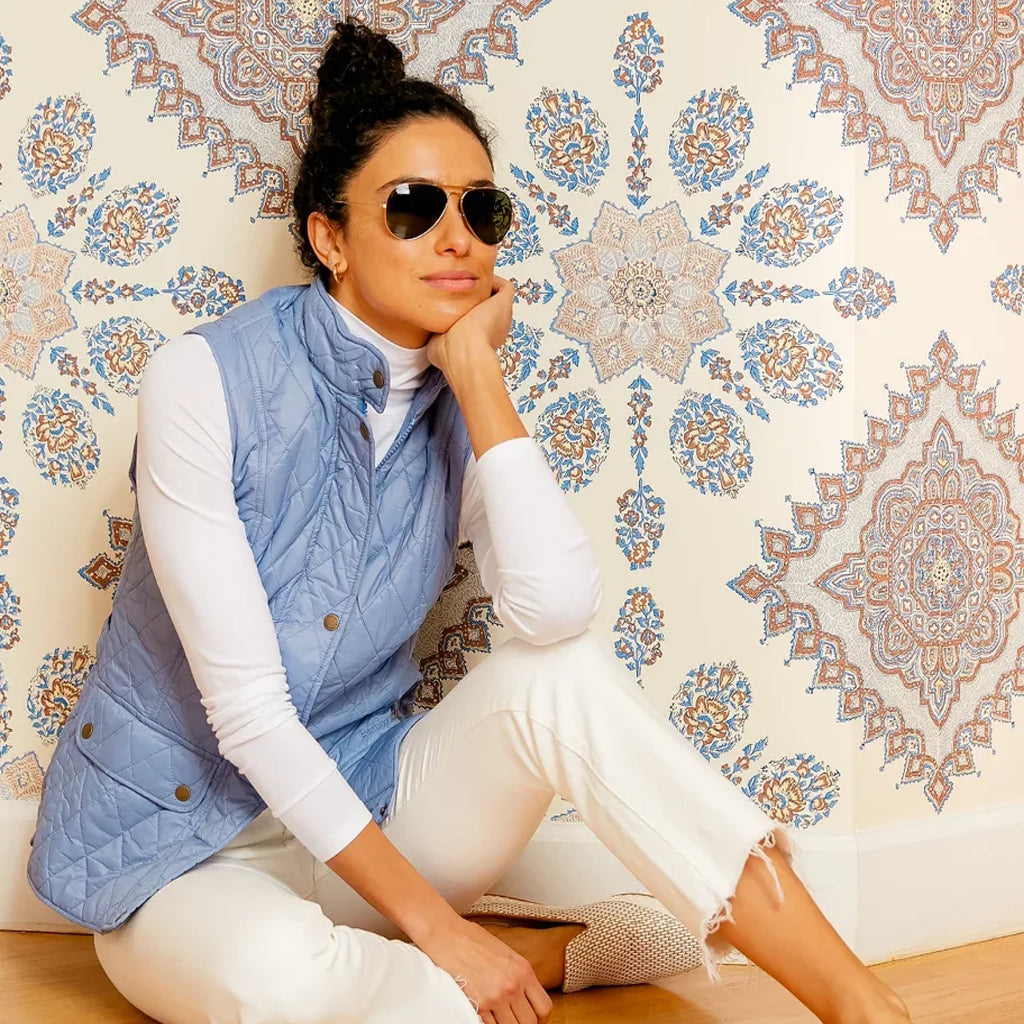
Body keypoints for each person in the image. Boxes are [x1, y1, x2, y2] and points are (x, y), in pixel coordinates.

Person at [27, 19, 914, 1024]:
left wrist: (480, 376)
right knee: (286, 978)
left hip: (372, 815)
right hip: (180, 850)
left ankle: (862, 1009)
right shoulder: (204, 378)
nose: (457, 236)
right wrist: (447, 932)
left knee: (560, 676)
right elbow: (249, 714)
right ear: (329, 236)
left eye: (479, 208)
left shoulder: (459, 388)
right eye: (411, 207)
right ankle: (520, 956)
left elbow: (551, 615)